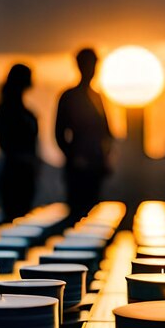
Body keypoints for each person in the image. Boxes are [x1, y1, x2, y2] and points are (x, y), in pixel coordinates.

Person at [55, 48, 113, 221]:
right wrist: (74, 158)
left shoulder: (98, 97)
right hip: (78, 169)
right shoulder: (69, 97)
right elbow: (59, 133)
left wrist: (104, 158)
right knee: (77, 215)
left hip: (95, 166)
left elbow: (107, 133)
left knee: (94, 214)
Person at [0, 64, 39, 222]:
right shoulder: (7, 110)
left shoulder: (21, 111)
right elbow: (5, 143)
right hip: (15, 175)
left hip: (24, 173)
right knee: (15, 218)